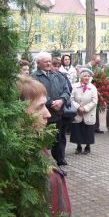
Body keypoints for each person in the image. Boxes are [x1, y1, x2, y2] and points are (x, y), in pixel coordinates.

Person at [17, 76, 71, 215]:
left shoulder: (36, 146)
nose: (47, 114)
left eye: (45, 106)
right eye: (39, 107)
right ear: (17, 113)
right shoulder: (14, 162)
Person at [32, 52, 70, 166]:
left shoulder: (58, 75)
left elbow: (67, 90)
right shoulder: (34, 77)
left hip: (59, 113)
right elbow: (36, 93)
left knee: (59, 138)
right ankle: (43, 162)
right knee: (43, 138)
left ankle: (60, 159)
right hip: (43, 114)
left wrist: (62, 100)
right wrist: (51, 102)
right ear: (38, 63)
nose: (49, 63)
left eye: (50, 61)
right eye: (46, 61)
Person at [70, 68, 98, 154]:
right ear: (81, 77)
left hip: (88, 112)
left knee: (88, 130)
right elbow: (71, 98)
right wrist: (78, 107)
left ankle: (87, 147)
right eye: (85, 76)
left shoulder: (92, 87)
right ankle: (78, 146)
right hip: (77, 112)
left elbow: (94, 101)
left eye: (88, 76)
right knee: (77, 129)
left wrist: (85, 108)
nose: (87, 78)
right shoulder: (74, 86)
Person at [85, 54, 103, 134]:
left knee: (96, 108)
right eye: (96, 62)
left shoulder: (98, 69)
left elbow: (101, 79)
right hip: (86, 91)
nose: (98, 64)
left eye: (99, 62)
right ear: (92, 60)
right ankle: (87, 126)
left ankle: (96, 127)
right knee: (88, 108)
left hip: (96, 91)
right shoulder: (85, 67)